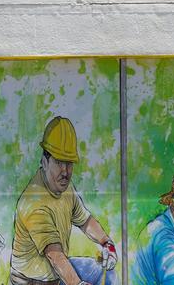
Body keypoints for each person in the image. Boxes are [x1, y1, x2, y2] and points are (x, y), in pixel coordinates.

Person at [10, 116, 117, 285]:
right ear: (45, 162)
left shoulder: (65, 188)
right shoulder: (34, 203)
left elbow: (85, 220)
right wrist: (78, 284)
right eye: (59, 162)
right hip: (29, 281)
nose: (65, 171)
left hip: (53, 277)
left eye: (69, 163)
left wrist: (106, 243)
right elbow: (55, 255)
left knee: (99, 272)